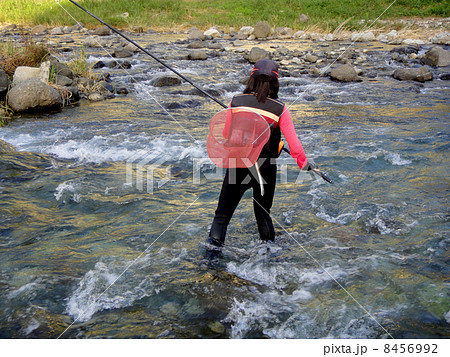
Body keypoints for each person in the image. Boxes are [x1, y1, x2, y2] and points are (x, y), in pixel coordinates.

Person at [206, 58, 315, 252]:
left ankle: (211, 261)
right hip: (264, 167)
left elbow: (226, 135)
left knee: (222, 216)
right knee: (263, 214)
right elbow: (296, 147)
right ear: (275, 82)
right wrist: (305, 164)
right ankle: (268, 258)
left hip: (237, 164)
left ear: (251, 79)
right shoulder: (280, 109)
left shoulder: (236, 101)